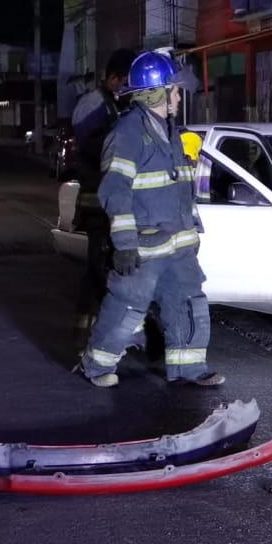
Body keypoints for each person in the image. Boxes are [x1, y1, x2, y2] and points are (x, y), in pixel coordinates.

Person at [78, 49, 225, 389]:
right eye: (173, 90)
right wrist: (125, 245)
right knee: (127, 307)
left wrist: (192, 233)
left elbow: (180, 187)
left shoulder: (171, 132)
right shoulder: (128, 133)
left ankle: (189, 369)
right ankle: (96, 366)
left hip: (178, 244)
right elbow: (115, 191)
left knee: (188, 303)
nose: (178, 96)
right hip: (144, 245)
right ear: (157, 92)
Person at [69, 48, 137, 348]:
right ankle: (94, 337)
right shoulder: (93, 105)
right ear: (112, 78)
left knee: (98, 270)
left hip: (106, 201)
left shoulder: (112, 103)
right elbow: (96, 149)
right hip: (97, 201)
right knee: (99, 270)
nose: (127, 88)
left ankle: (88, 333)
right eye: (124, 81)